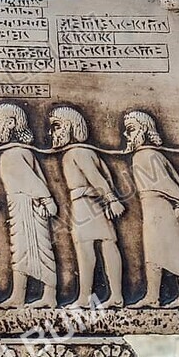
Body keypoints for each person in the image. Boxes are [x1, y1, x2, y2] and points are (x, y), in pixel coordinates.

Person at [49, 106, 125, 307]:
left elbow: (96, 176)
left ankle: (101, 296)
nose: (52, 133)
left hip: (88, 204)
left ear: (71, 127)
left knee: (97, 246)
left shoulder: (78, 151)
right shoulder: (78, 151)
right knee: (100, 245)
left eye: (56, 127)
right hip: (86, 203)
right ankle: (103, 295)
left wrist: (111, 198)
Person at [124, 110, 179, 307]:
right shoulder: (147, 154)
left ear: (144, 130)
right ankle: (154, 296)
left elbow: (166, 182)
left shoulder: (145, 155)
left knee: (172, 250)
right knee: (154, 252)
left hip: (159, 208)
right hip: (153, 208)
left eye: (130, 130)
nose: (126, 135)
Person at [0, 103, 58, 307]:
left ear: (10, 123)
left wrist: (46, 199)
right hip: (19, 206)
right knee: (19, 249)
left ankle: (49, 295)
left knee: (40, 249)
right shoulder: (15, 151)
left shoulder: (14, 153)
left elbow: (33, 181)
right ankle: (19, 295)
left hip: (30, 205)